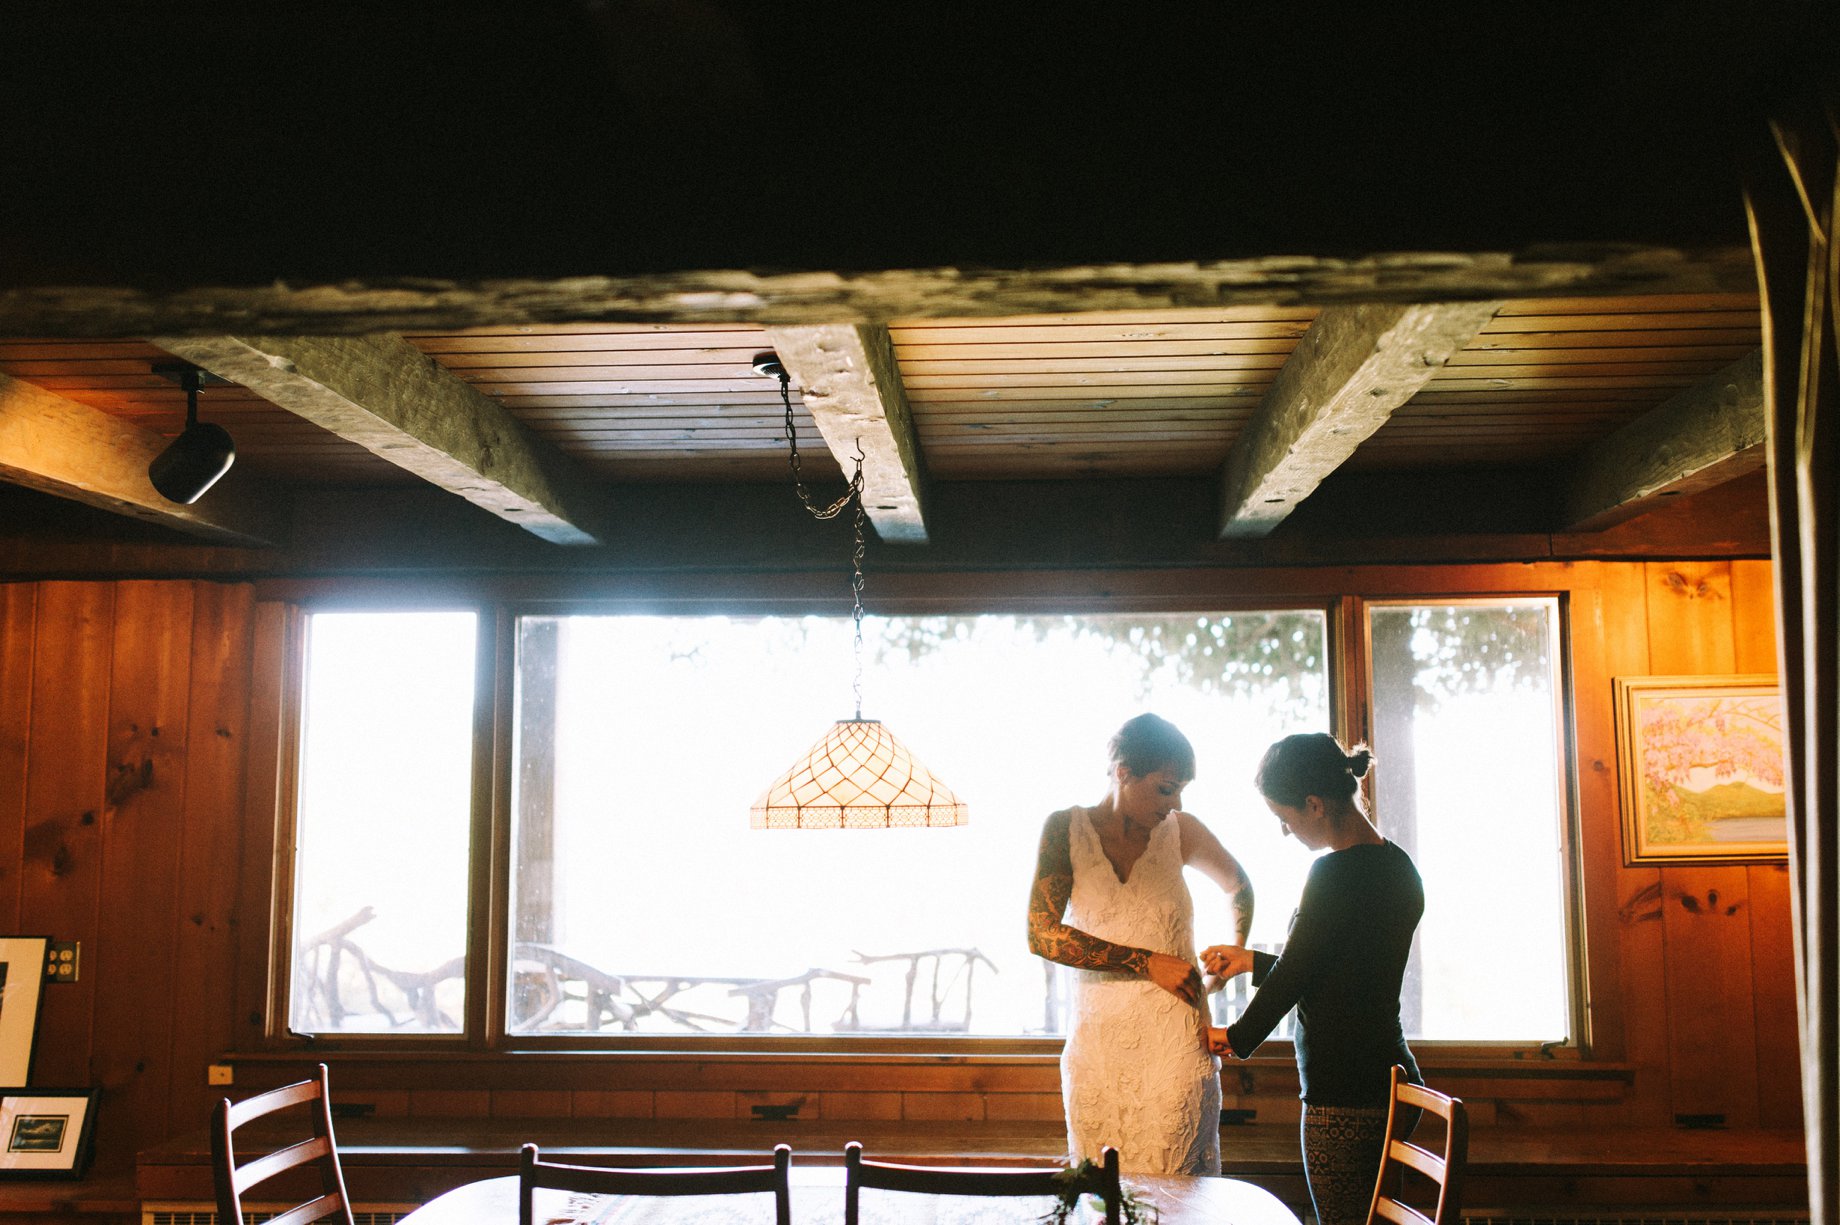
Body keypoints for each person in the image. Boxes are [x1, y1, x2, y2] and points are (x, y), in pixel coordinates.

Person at [1202, 733, 1424, 1225]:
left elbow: (1299, 974)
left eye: (1284, 818)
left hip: (1343, 1095)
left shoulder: (1331, 875)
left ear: (1315, 804)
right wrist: (1251, 962)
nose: (1285, 831)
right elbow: (1341, 969)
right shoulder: (1400, 867)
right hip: (1393, 1079)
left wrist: (1233, 1038)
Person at [1027, 713, 1254, 1175]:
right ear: (1123, 772)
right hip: (1098, 1047)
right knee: (1102, 1196)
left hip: (1177, 1041)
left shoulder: (1182, 831)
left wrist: (1233, 950)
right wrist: (1147, 961)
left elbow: (1238, 885)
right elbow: (1041, 933)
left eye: (1181, 790)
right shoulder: (1064, 830)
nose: (1174, 803)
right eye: (1166, 788)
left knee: (1179, 1189)